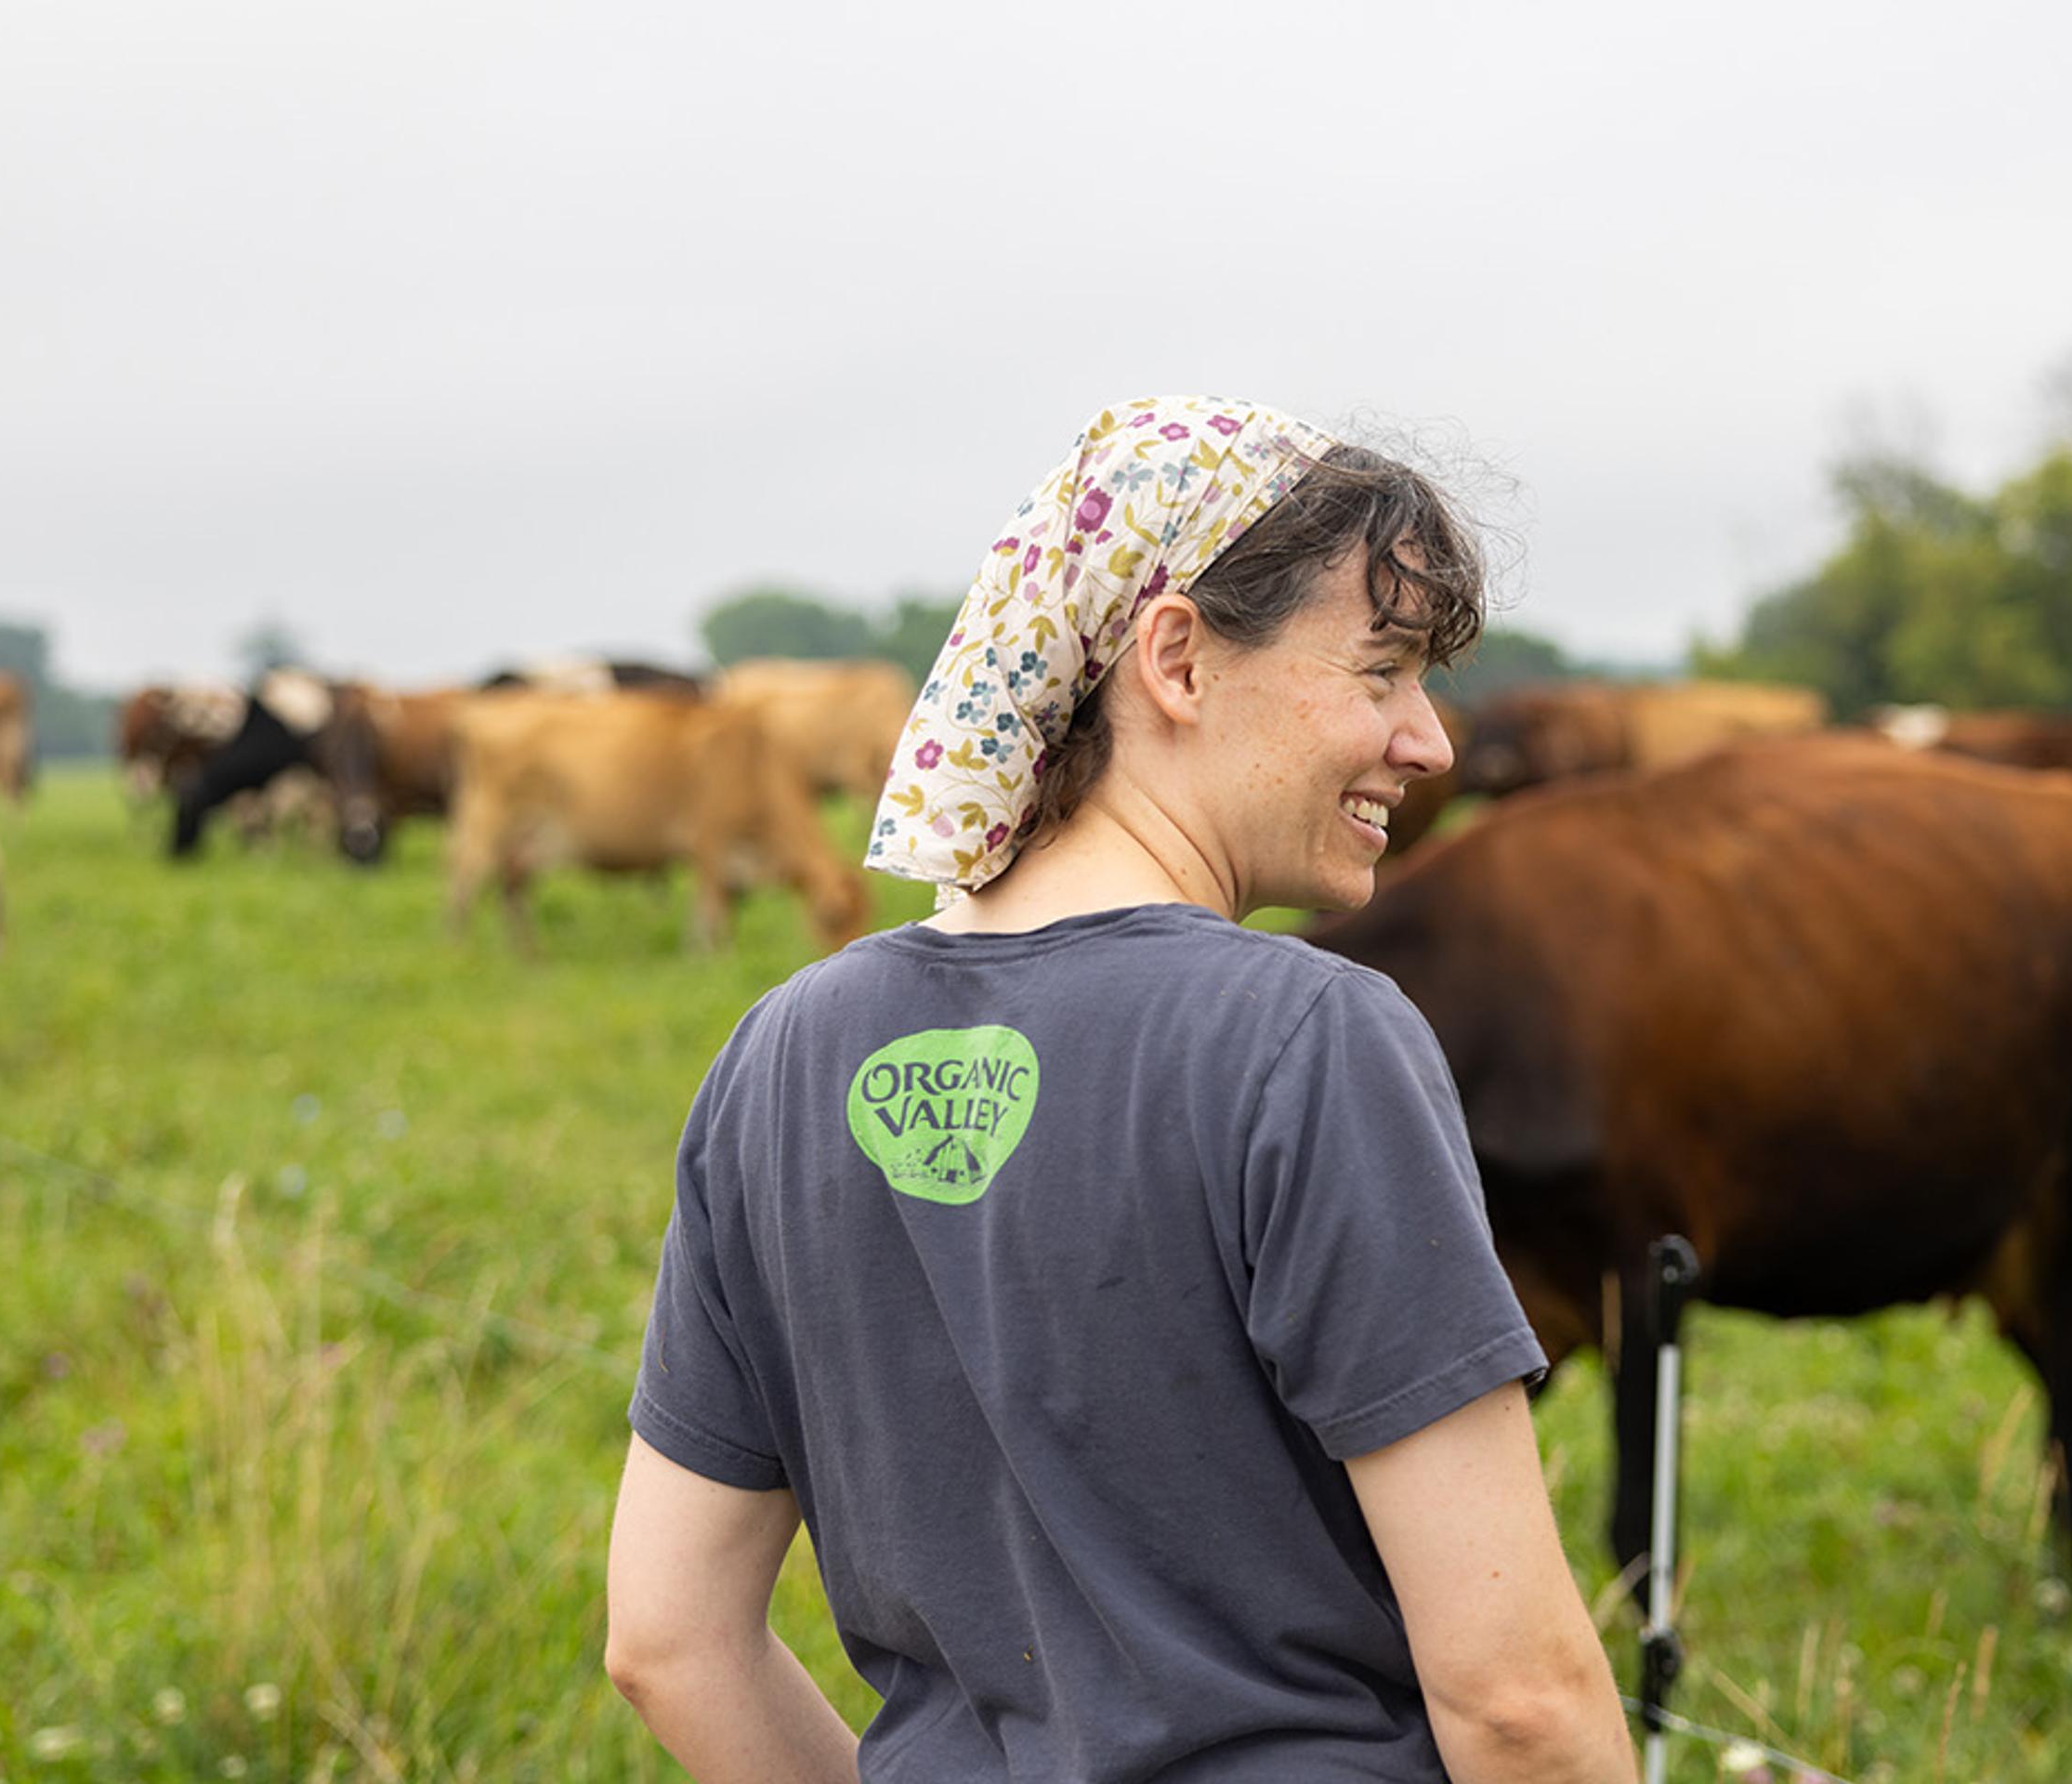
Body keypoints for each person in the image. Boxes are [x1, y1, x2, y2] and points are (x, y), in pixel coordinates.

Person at [604, 395, 1633, 1781]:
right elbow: (1518, 1703)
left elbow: (668, 1642)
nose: (1432, 742)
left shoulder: (781, 1052)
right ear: (1180, 659)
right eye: (1381, 669)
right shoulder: (1309, 1041)